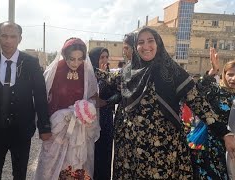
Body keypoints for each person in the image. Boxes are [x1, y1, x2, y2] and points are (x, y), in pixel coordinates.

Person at [111, 27, 235, 179]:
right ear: (135, 47)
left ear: (158, 43)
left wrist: (224, 132)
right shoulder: (127, 73)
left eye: (151, 41)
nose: (146, 46)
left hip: (163, 147)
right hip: (130, 147)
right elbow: (104, 81)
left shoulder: (172, 70)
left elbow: (197, 101)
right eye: (141, 42)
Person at [0, 21, 51, 180]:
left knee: (20, 173)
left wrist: (44, 126)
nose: (8, 40)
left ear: (20, 39)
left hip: (22, 130)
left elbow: (40, 95)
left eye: (13, 37)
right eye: (4, 36)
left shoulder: (31, 63)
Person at [34, 37, 100, 180]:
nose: (76, 63)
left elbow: (93, 96)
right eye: (72, 59)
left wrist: (86, 108)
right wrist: (44, 126)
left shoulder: (87, 72)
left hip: (79, 130)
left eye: (79, 59)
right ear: (64, 56)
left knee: (76, 164)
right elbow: (42, 100)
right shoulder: (54, 71)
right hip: (57, 128)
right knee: (51, 165)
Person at [189, 48, 235, 179]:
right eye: (230, 74)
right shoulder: (216, 90)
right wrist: (213, 71)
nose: (233, 78)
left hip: (230, 149)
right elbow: (196, 93)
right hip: (208, 146)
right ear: (224, 74)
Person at [89, 47, 117, 180]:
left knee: (105, 155)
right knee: (91, 155)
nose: (105, 60)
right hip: (90, 121)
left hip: (105, 121)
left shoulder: (111, 76)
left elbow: (118, 94)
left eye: (107, 57)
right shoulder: (88, 76)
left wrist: (106, 101)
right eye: (102, 57)